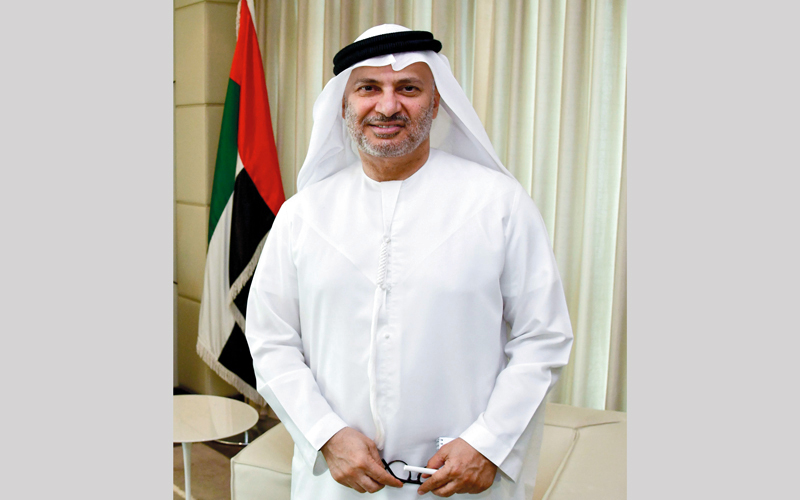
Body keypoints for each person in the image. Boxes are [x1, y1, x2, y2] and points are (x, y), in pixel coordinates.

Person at [245, 24, 574, 500]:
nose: (387, 106)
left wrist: (488, 444)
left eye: (408, 88)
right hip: (338, 485)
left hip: (461, 483)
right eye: (368, 88)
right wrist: (325, 434)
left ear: (436, 104)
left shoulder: (499, 204)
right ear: (343, 104)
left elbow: (542, 337)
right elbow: (270, 340)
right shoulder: (302, 216)